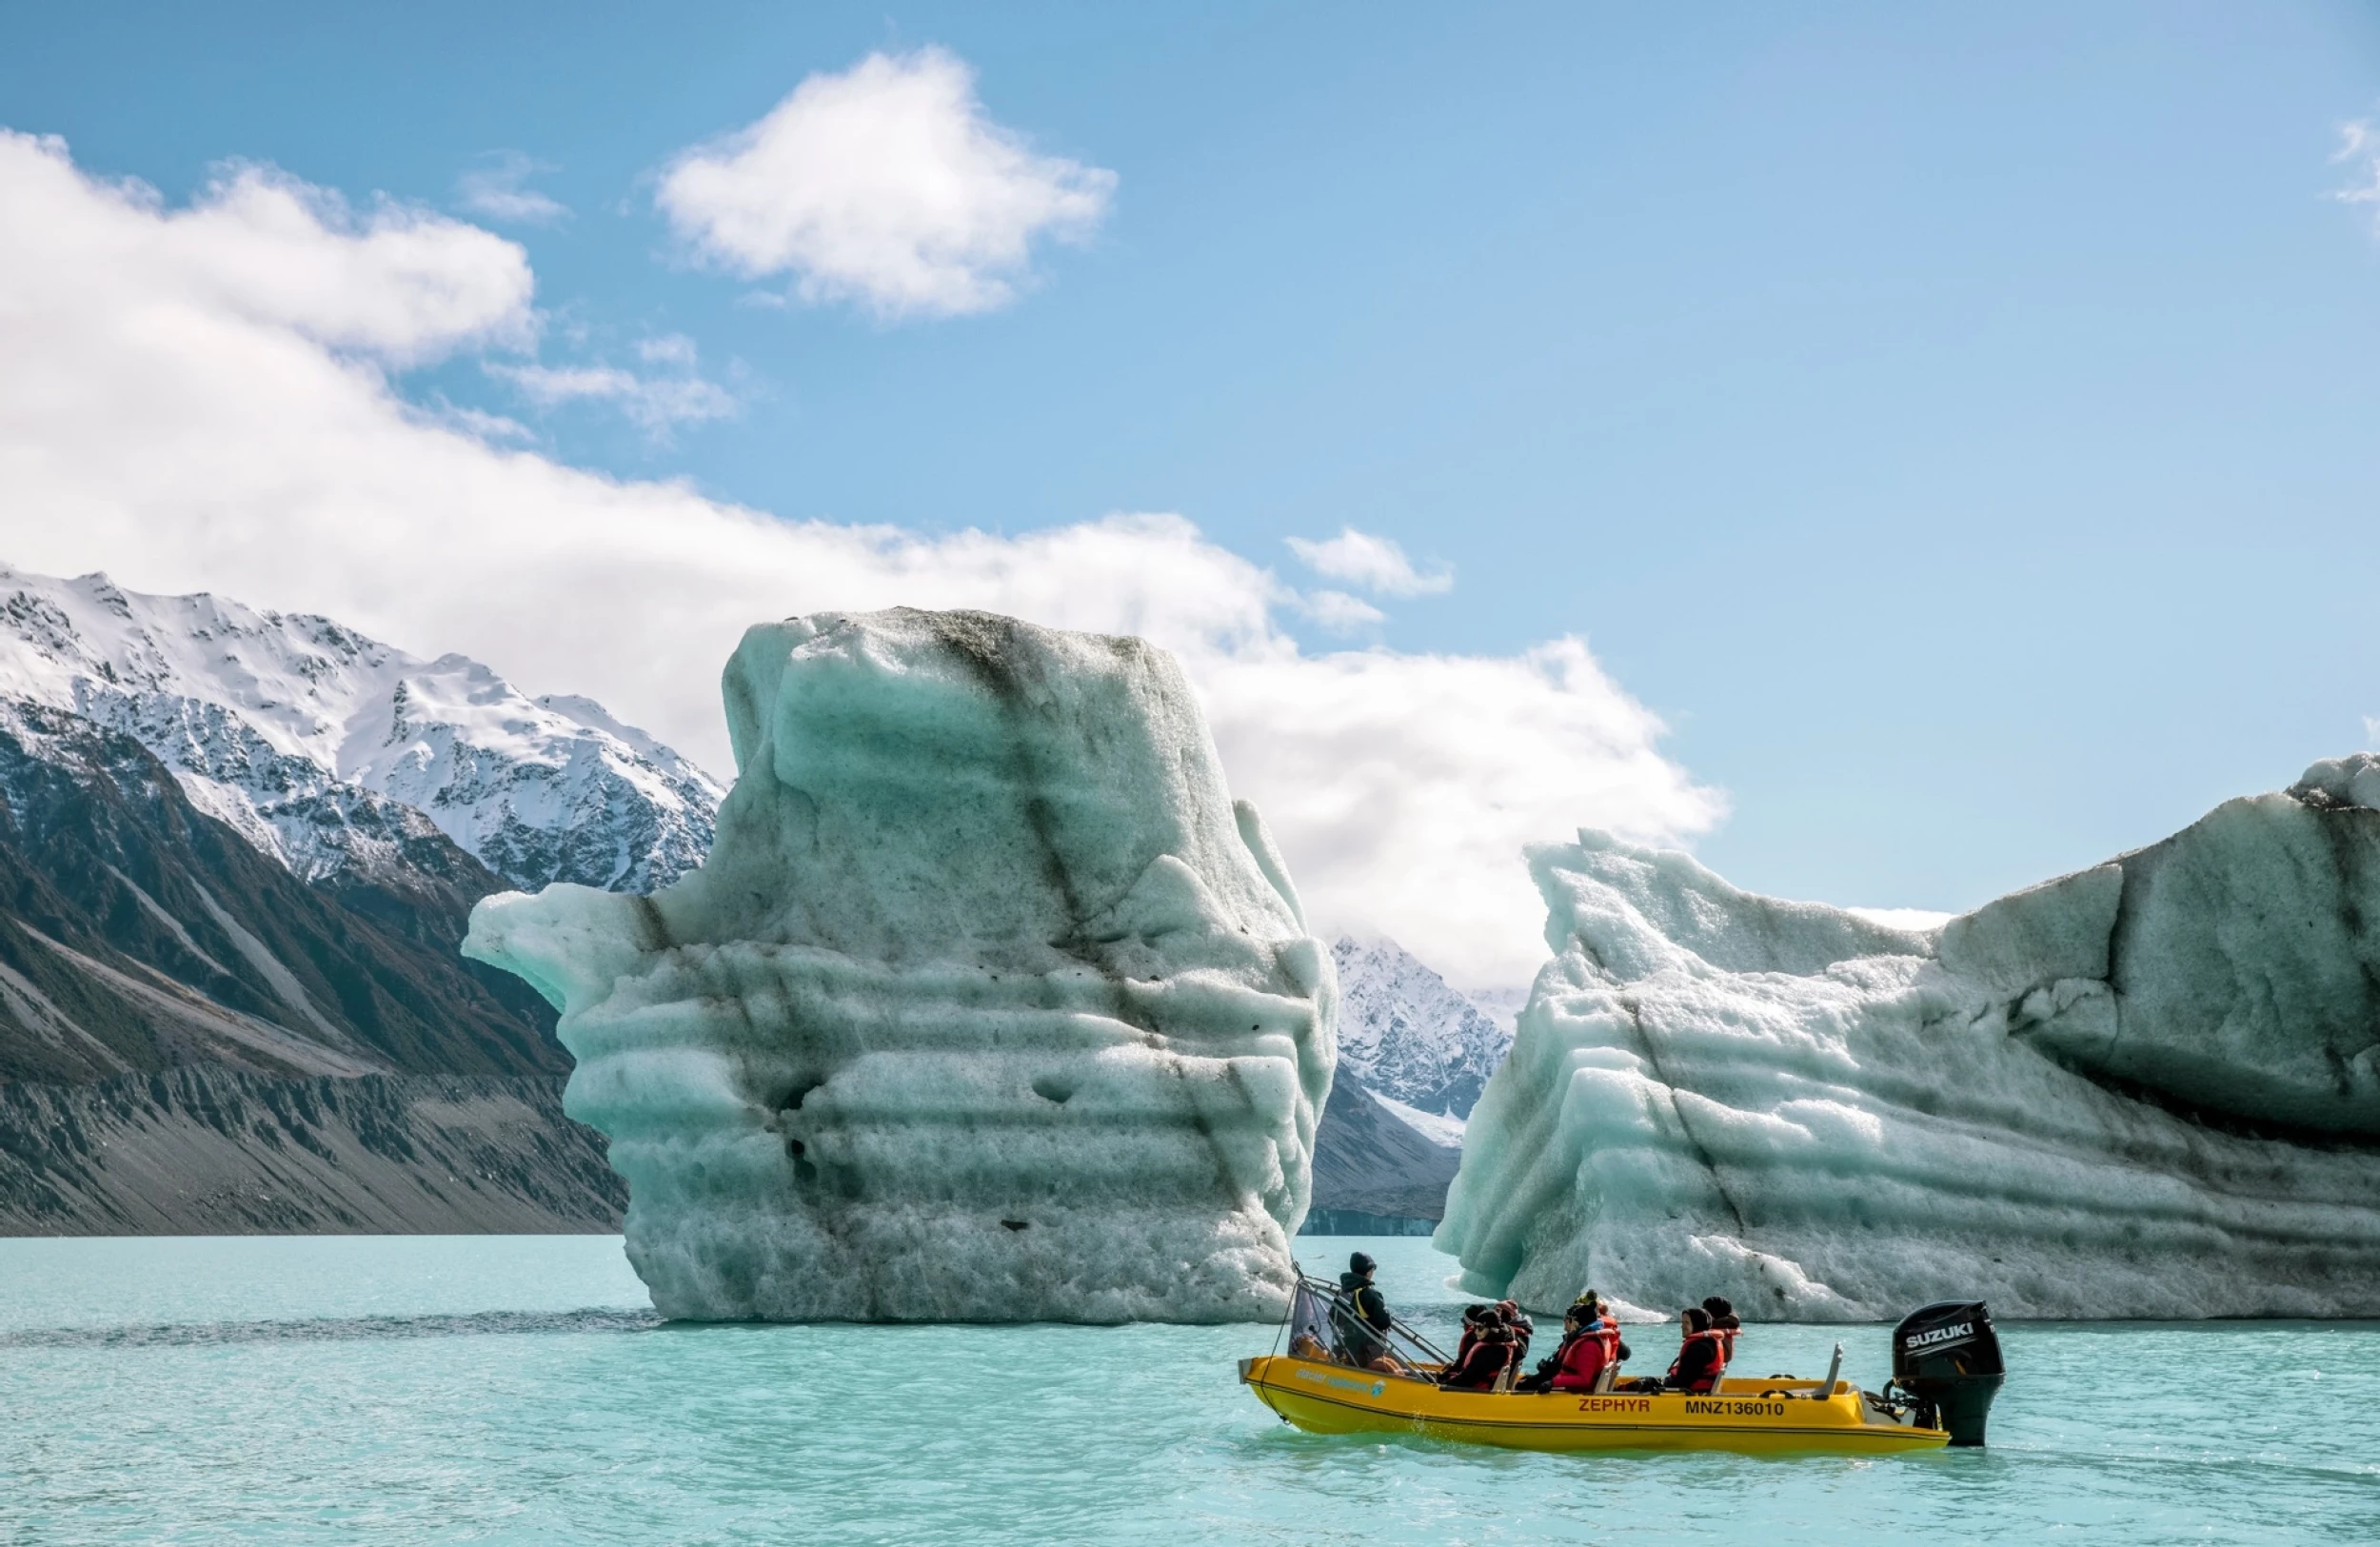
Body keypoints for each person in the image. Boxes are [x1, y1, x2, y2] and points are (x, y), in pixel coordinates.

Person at [1335, 1251, 1410, 1375]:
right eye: (1373, 1268)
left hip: (1350, 1352)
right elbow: (1385, 1322)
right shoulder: (1369, 1294)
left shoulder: (1342, 1293)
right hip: (1368, 1353)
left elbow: (1333, 1319)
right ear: (1368, 1271)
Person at [1438, 1312, 1516, 1390]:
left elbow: (1467, 1379)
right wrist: (1441, 1377)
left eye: (1480, 1327)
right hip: (1475, 1387)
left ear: (1493, 1329)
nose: (1476, 1331)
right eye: (1475, 1327)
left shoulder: (1493, 1352)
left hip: (1475, 1391)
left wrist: (1441, 1385)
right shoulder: (1498, 1345)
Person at [1665, 1306, 1727, 1394]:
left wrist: (1662, 1384)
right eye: (1682, 1322)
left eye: (1687, 1323)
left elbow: (1682, 1382)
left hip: (1692, 1393)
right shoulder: (1708, 1343)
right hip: (1698, 1390)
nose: (1682, 1326)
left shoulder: (1699, 1349)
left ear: (1697, 1324)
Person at [1701, 1296, 1740, 1363]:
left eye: (1704, 1310)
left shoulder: (1714, 1331)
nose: (1702, 1313)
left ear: (1712, 1314)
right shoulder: (1725, 1325)